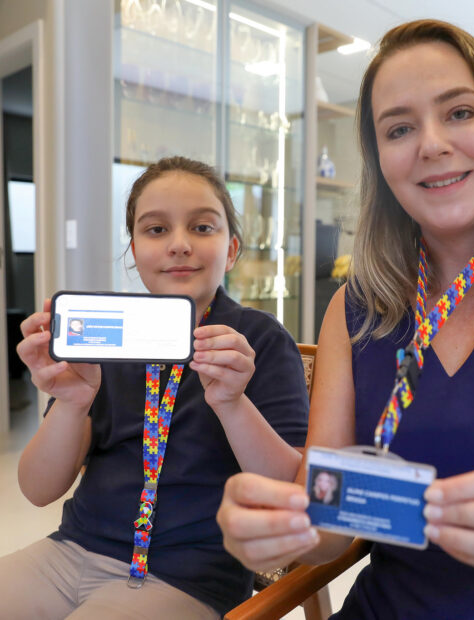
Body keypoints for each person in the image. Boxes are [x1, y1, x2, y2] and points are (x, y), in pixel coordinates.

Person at [215, 19, 474, 618]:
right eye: (400, 128)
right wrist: (280, 528)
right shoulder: (355, 309)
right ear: (380, 161)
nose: (431, 144)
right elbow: (328, 529)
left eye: (459, 112)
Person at [0, 156, 309, 619]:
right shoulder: (111, 338)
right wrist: (71, 402)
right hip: (70, 552)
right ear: (134, 251)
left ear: (231, 251)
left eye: (202, 227)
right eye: (156, 229)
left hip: (187, 578)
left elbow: (290, 489)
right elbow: (38, 489)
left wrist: (232, 403)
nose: (179, 245)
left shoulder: (257, 341)